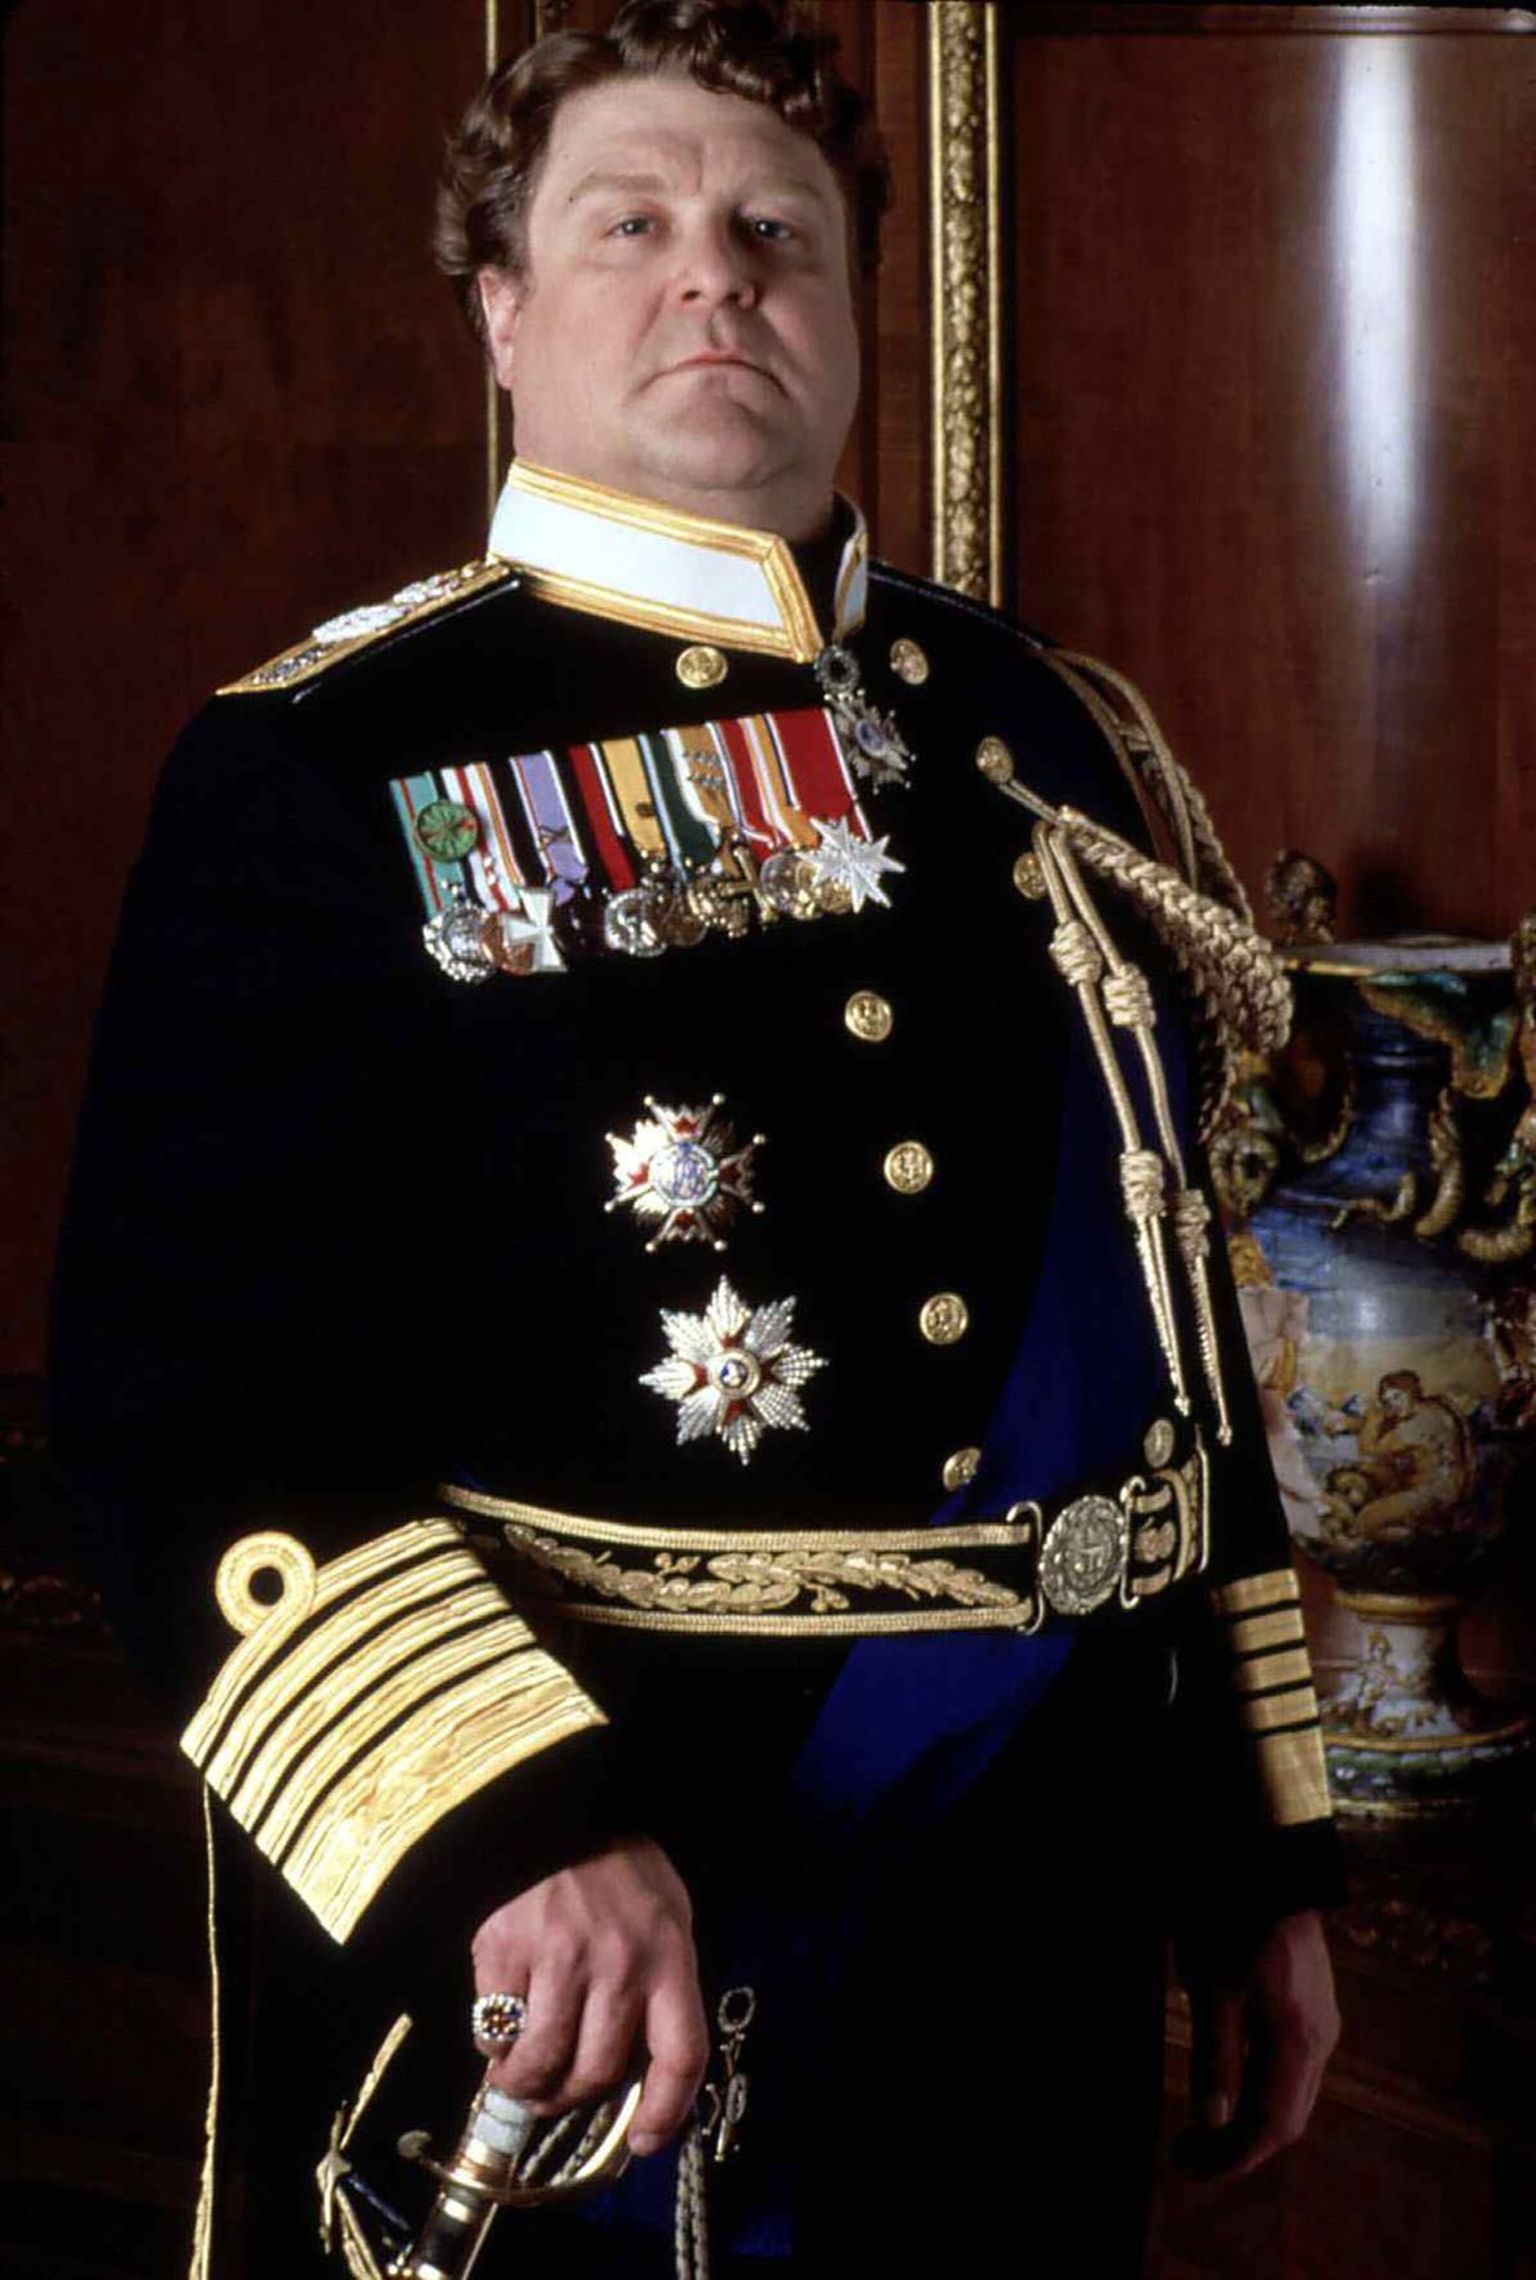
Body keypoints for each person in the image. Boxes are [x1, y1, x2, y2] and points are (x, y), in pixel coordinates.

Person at [50, 3, 1345, 2273]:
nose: (713, 276)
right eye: (629, 225)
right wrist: (505, 1829)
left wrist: (1253, 1850)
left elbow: (1165, 1314)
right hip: (615, 1860)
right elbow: (188, 1409)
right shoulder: (329, 760)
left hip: (1039, 1872)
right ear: (503, 309)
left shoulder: (1039, 723)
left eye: (774, 233)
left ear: (849, 310)